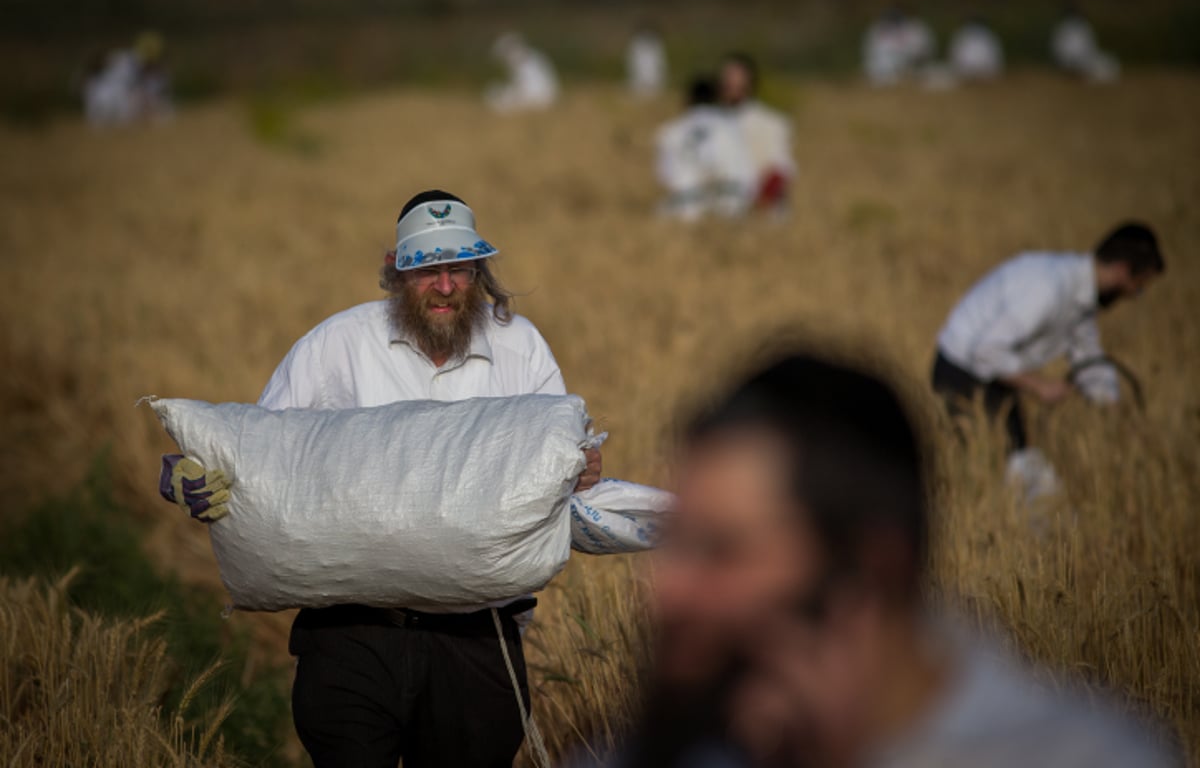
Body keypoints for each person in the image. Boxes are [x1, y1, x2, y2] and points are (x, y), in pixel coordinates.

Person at [159, 189, 603, 768]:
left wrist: (583, 470)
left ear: (479, 271)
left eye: (459, 270)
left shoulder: (521, 347)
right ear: (397, 271)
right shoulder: (335, 345)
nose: (444, 287)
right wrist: (190, 476)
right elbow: (259, 457)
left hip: (477, 645)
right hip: (350, 636)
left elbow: (558, 463)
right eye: (426, 270)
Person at [615, 349, 1173, 767]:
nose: (664, 587)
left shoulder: (1083, 755)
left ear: (870, 570)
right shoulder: (644, 753)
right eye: (675, 541)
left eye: (722, 551)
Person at [932, 222, 1165, 498]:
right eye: (1138, 288)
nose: (1135, 296)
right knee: (987, 473)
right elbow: (985, 350)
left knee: (1022, 471)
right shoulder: (1049, 289)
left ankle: (1031, 530)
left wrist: (1117, 415)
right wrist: (1040, 386)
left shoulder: (1082, 297)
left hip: (996, 378)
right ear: (1122, 271)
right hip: (961, 373)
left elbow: (1088, 358)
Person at [656, 76, 757, 222]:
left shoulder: (671, 131)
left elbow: (665, 176)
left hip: (687, 207)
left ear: (687, 100)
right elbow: (748, 175)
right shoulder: (732, 126)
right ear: (717, 100)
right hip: (731, 205)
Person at [717, 53, 795, 211]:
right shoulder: (711, 123)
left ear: (750, 81)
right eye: (727, 77)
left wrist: (757, 204)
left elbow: (780, 170)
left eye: (736, 77)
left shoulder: (771, 122)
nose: (730, 83)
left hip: (761, 210)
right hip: (722, 211)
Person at [862, 7, 936, 87]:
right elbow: (869, 54)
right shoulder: (876, 30)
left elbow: (923, 52)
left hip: (910, 67)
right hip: (881, 70)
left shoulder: (913, 30)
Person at [485, 32, 559, 112]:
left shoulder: (522, 63)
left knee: (494, 94)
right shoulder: (536, 57)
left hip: (535, 100)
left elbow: (527, 90)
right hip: (545, 99)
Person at [1051, 9, 1120, 83]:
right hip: (1069, 61)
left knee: (1107, 63)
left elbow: (1090, 47)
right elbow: (1058, 48)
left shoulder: (1084, 26)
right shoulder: (1065, 27)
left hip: (1083, 60)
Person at [628, 23, 668, 98]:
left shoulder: (655, 44)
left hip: (654, 84)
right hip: (639, 84)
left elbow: (660, 65)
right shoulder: (636, 44)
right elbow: (633, 66)